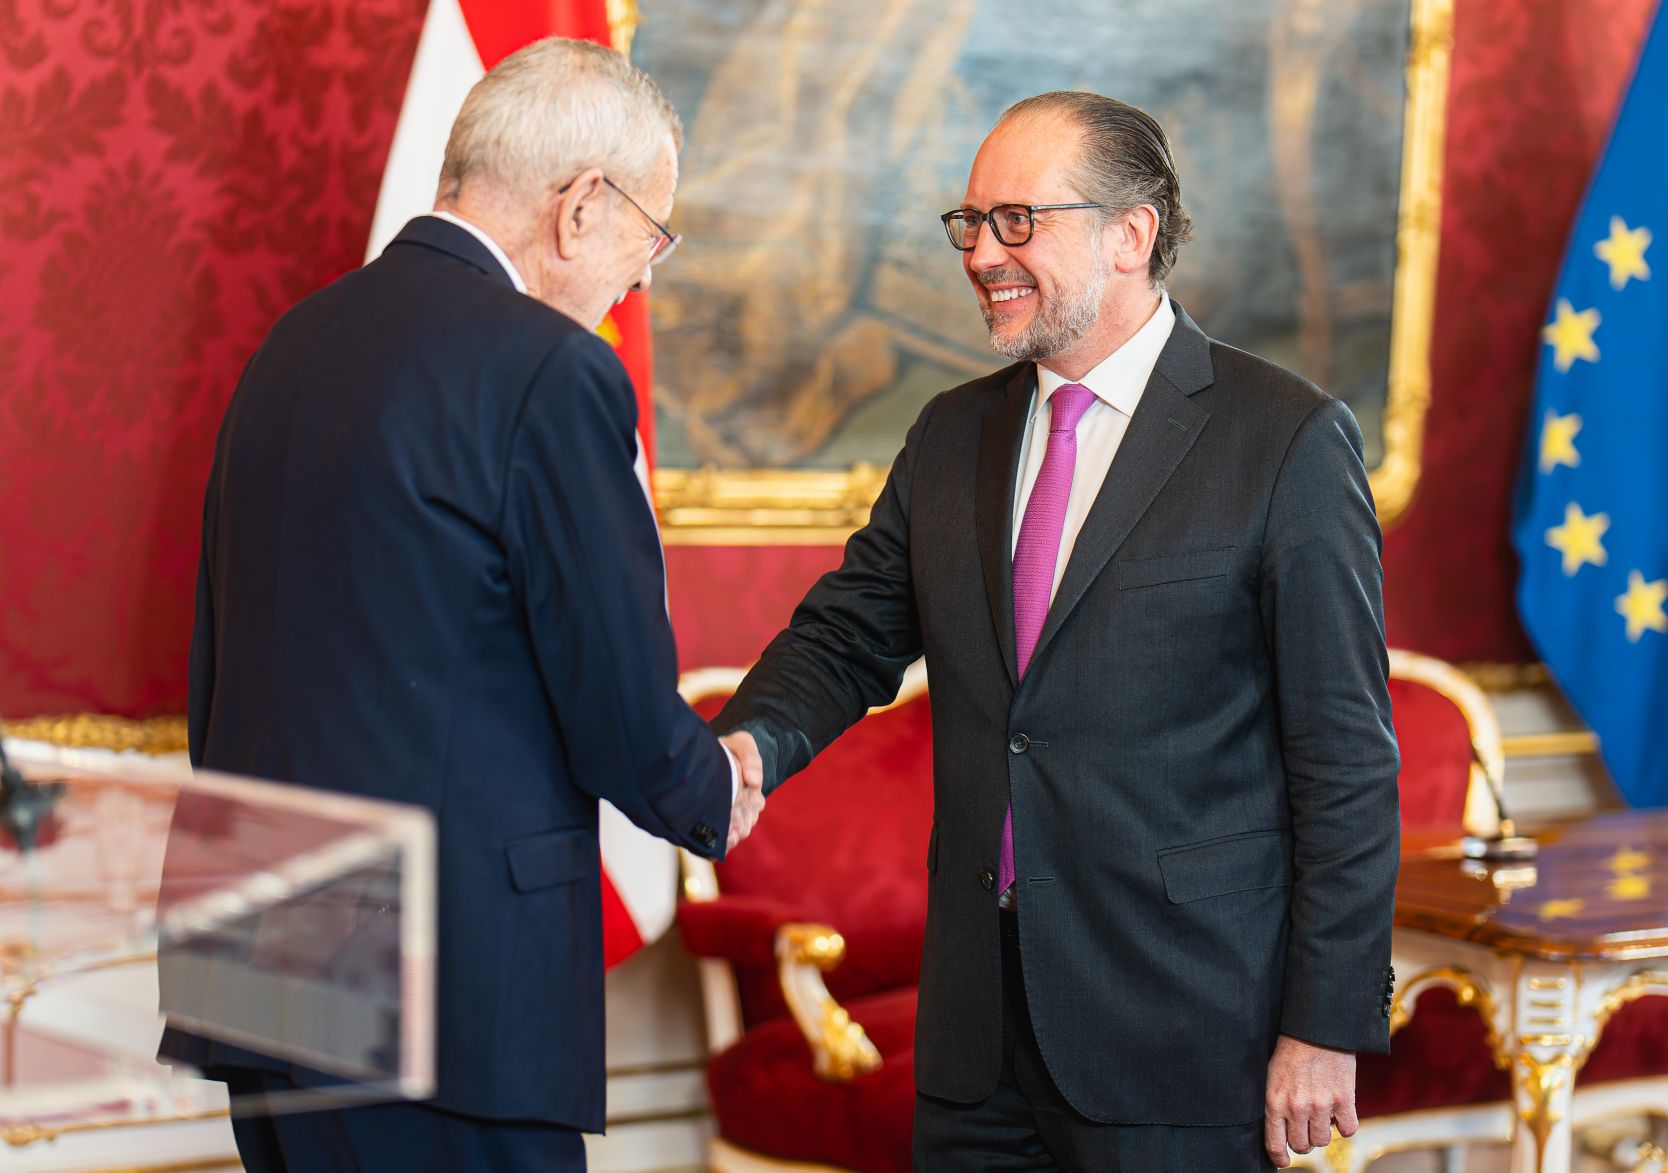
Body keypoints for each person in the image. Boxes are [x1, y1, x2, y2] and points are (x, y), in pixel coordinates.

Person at [715, 90, 1400, 1170]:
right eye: (969, 223)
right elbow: (848, 634)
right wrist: (747, 747)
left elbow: (1346, 761)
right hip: (974, 1045)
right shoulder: (952, 433)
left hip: (1180, 1036)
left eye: (1016, 222)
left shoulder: (1284, 441)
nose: (981, 252)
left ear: (1130, 235)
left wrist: (1323, 1024)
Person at [158, 38, 762, 1173]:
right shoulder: (554, 371)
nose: (642, 276)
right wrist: (709, 791)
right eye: (650, 234)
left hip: (262, 959)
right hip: (448, 988)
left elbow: (221, 665)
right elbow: (616, 698)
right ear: (584, 206)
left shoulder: (293, 343)